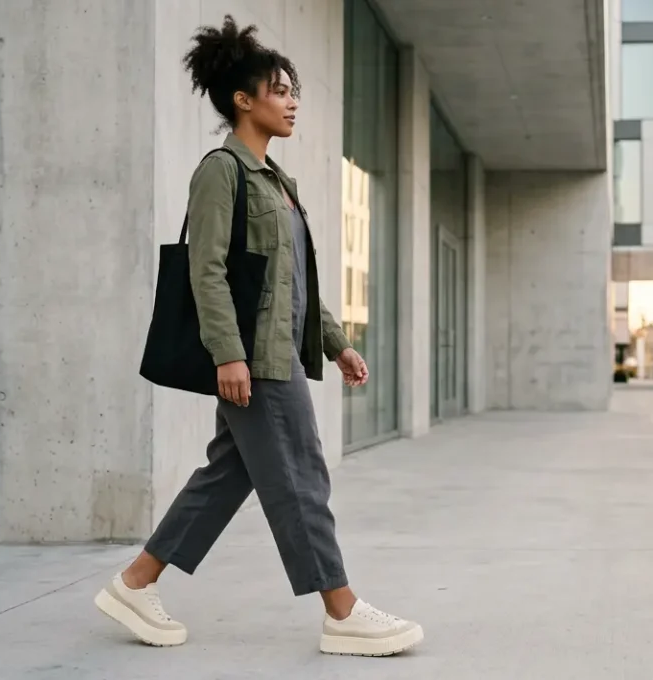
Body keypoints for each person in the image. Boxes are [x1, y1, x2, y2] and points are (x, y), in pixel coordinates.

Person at [93, 15, 422, 658]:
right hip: (256, 363)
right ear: (244, 100)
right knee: (302, 477)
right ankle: (342, 611)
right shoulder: (223, 170)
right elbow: (205, 270)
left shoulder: (278, 183)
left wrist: (335, 341)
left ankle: (136, 583)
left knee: (227, 477)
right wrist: (230, 356)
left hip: (275, 354)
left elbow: (294, 281)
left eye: (293, 90)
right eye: (279, 90)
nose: (292, 101)